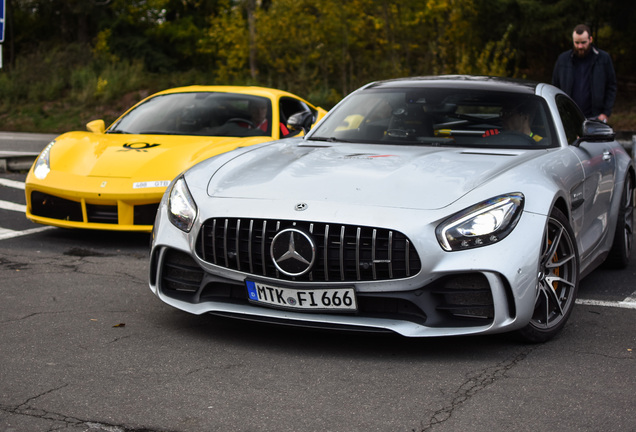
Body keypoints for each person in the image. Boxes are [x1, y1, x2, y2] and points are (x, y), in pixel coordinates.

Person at [552, 24, 617, 123]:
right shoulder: (563, 60)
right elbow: (554, 87)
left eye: (583, 42)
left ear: (590, 39)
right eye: (576, 43)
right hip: (569, 117)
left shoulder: (603, 59)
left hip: (596, 117)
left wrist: (606, 112)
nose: (580, 46)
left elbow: (611, 86)